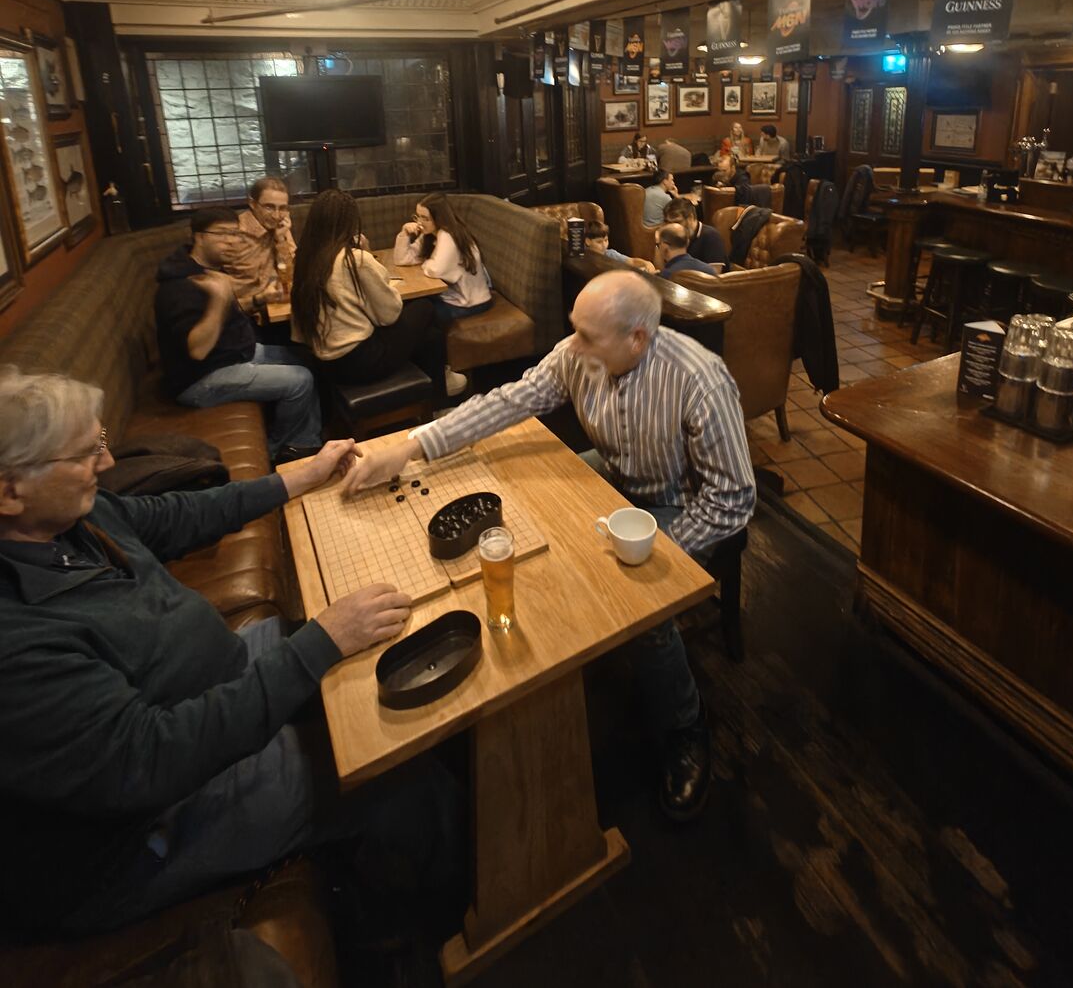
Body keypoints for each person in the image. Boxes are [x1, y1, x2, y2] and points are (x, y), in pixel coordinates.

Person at [0, 367, 461, 937]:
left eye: (100, 442)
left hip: (214, 674)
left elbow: (175, 516)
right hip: (155, 825)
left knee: (388, 656)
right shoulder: (16, 645)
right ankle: (424, 933)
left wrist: (296, 477)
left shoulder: (70, 518)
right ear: (9, 491)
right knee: (404, 777)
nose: (107, 464)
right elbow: (153, 760)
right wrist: (320, 641)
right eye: (82, 455)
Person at [338, 271, 756, 821]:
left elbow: (733, 496)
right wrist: (411, 447)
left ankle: (685, 725)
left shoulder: (700, 379)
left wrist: (665, 554)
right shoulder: (576, 354)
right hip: (614, 481)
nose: (572, 344)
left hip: (679, 506)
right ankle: (561, 661)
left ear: (636, 338)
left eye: (587, 335)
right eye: (574, 330)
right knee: (533, 519)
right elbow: (509, 401)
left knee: (646, 606)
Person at [155, 208, 321, 462]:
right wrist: (219, 299)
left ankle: (306, 440)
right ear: (198, 236)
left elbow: (228, 316)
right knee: (300, 379)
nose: (231, 241)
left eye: (235, 234)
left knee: (309, 357)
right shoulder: (179, 285)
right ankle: (278, 448)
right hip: (200, 378)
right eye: (222, 234)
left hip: (238, 353)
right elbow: (198, 350)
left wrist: (260, 299)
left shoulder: (209, 269)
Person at [290, 188, 467, 399]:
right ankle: (440, 392)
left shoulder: (305, 258)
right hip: (362, 363)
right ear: (349, 223)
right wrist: (366, 254)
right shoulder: (353, 259)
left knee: (429, 334)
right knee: (425, 306)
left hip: (324, 364)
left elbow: (299, 330)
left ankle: (438, 388)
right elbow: (388, 314)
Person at [393, 193, 492, 327]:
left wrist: (426, 263)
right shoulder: (430, 235)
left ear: (439, 219)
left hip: (470, 303)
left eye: (425, 218)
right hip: (451, 297)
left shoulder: (449, 236)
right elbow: (402, 259)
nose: (419, 223)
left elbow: (436, 270)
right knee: (410, 308)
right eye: (418, 216)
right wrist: (404, 233)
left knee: (415, 315)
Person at [225, 175, 296, 312]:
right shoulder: (234, 234)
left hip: (277, 307)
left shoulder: (281, 228)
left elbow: (291, 275)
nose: (276, 215)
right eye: (269, 207)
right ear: (252, 204)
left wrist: (280, 240)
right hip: (245, 313)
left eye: (282, 208)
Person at [663, 198, 728, 268]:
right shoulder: (673, 236)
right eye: (668, 223)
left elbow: (715, 274)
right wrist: (658, 243)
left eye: (677, 222)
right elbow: (663, 271)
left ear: (690, 218)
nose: (672, 227)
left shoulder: (711, 236)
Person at [585, 220, 656, 272]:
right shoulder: (582, 255)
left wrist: (646, 263)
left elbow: (632, 261)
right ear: (588, 241)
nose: (604, 245)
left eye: (606, 240)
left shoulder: (610, 254)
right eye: (599, 242)